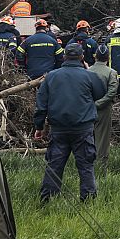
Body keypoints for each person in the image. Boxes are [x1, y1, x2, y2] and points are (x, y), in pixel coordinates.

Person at [33, 44, 106, 202]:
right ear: (81, 58)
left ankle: (48, 200)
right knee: (86, 166)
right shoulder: (89, 76)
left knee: (54, 166)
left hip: (59, 129)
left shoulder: (51, 76)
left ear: (64, 56)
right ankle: (88, 200)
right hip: (83, 129)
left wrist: (39, 127)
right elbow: (101, 93)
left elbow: (41, 104)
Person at [87, 45, 118, 168]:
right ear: (108, 58)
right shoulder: (111, 72)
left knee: (87, 137)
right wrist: (99, 104)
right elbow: (112, 92)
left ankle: (87, 163)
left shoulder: (87, 71)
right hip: (104, 110)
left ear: (95, 57)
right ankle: (101, 166)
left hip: (87, 109)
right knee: (103, 140)